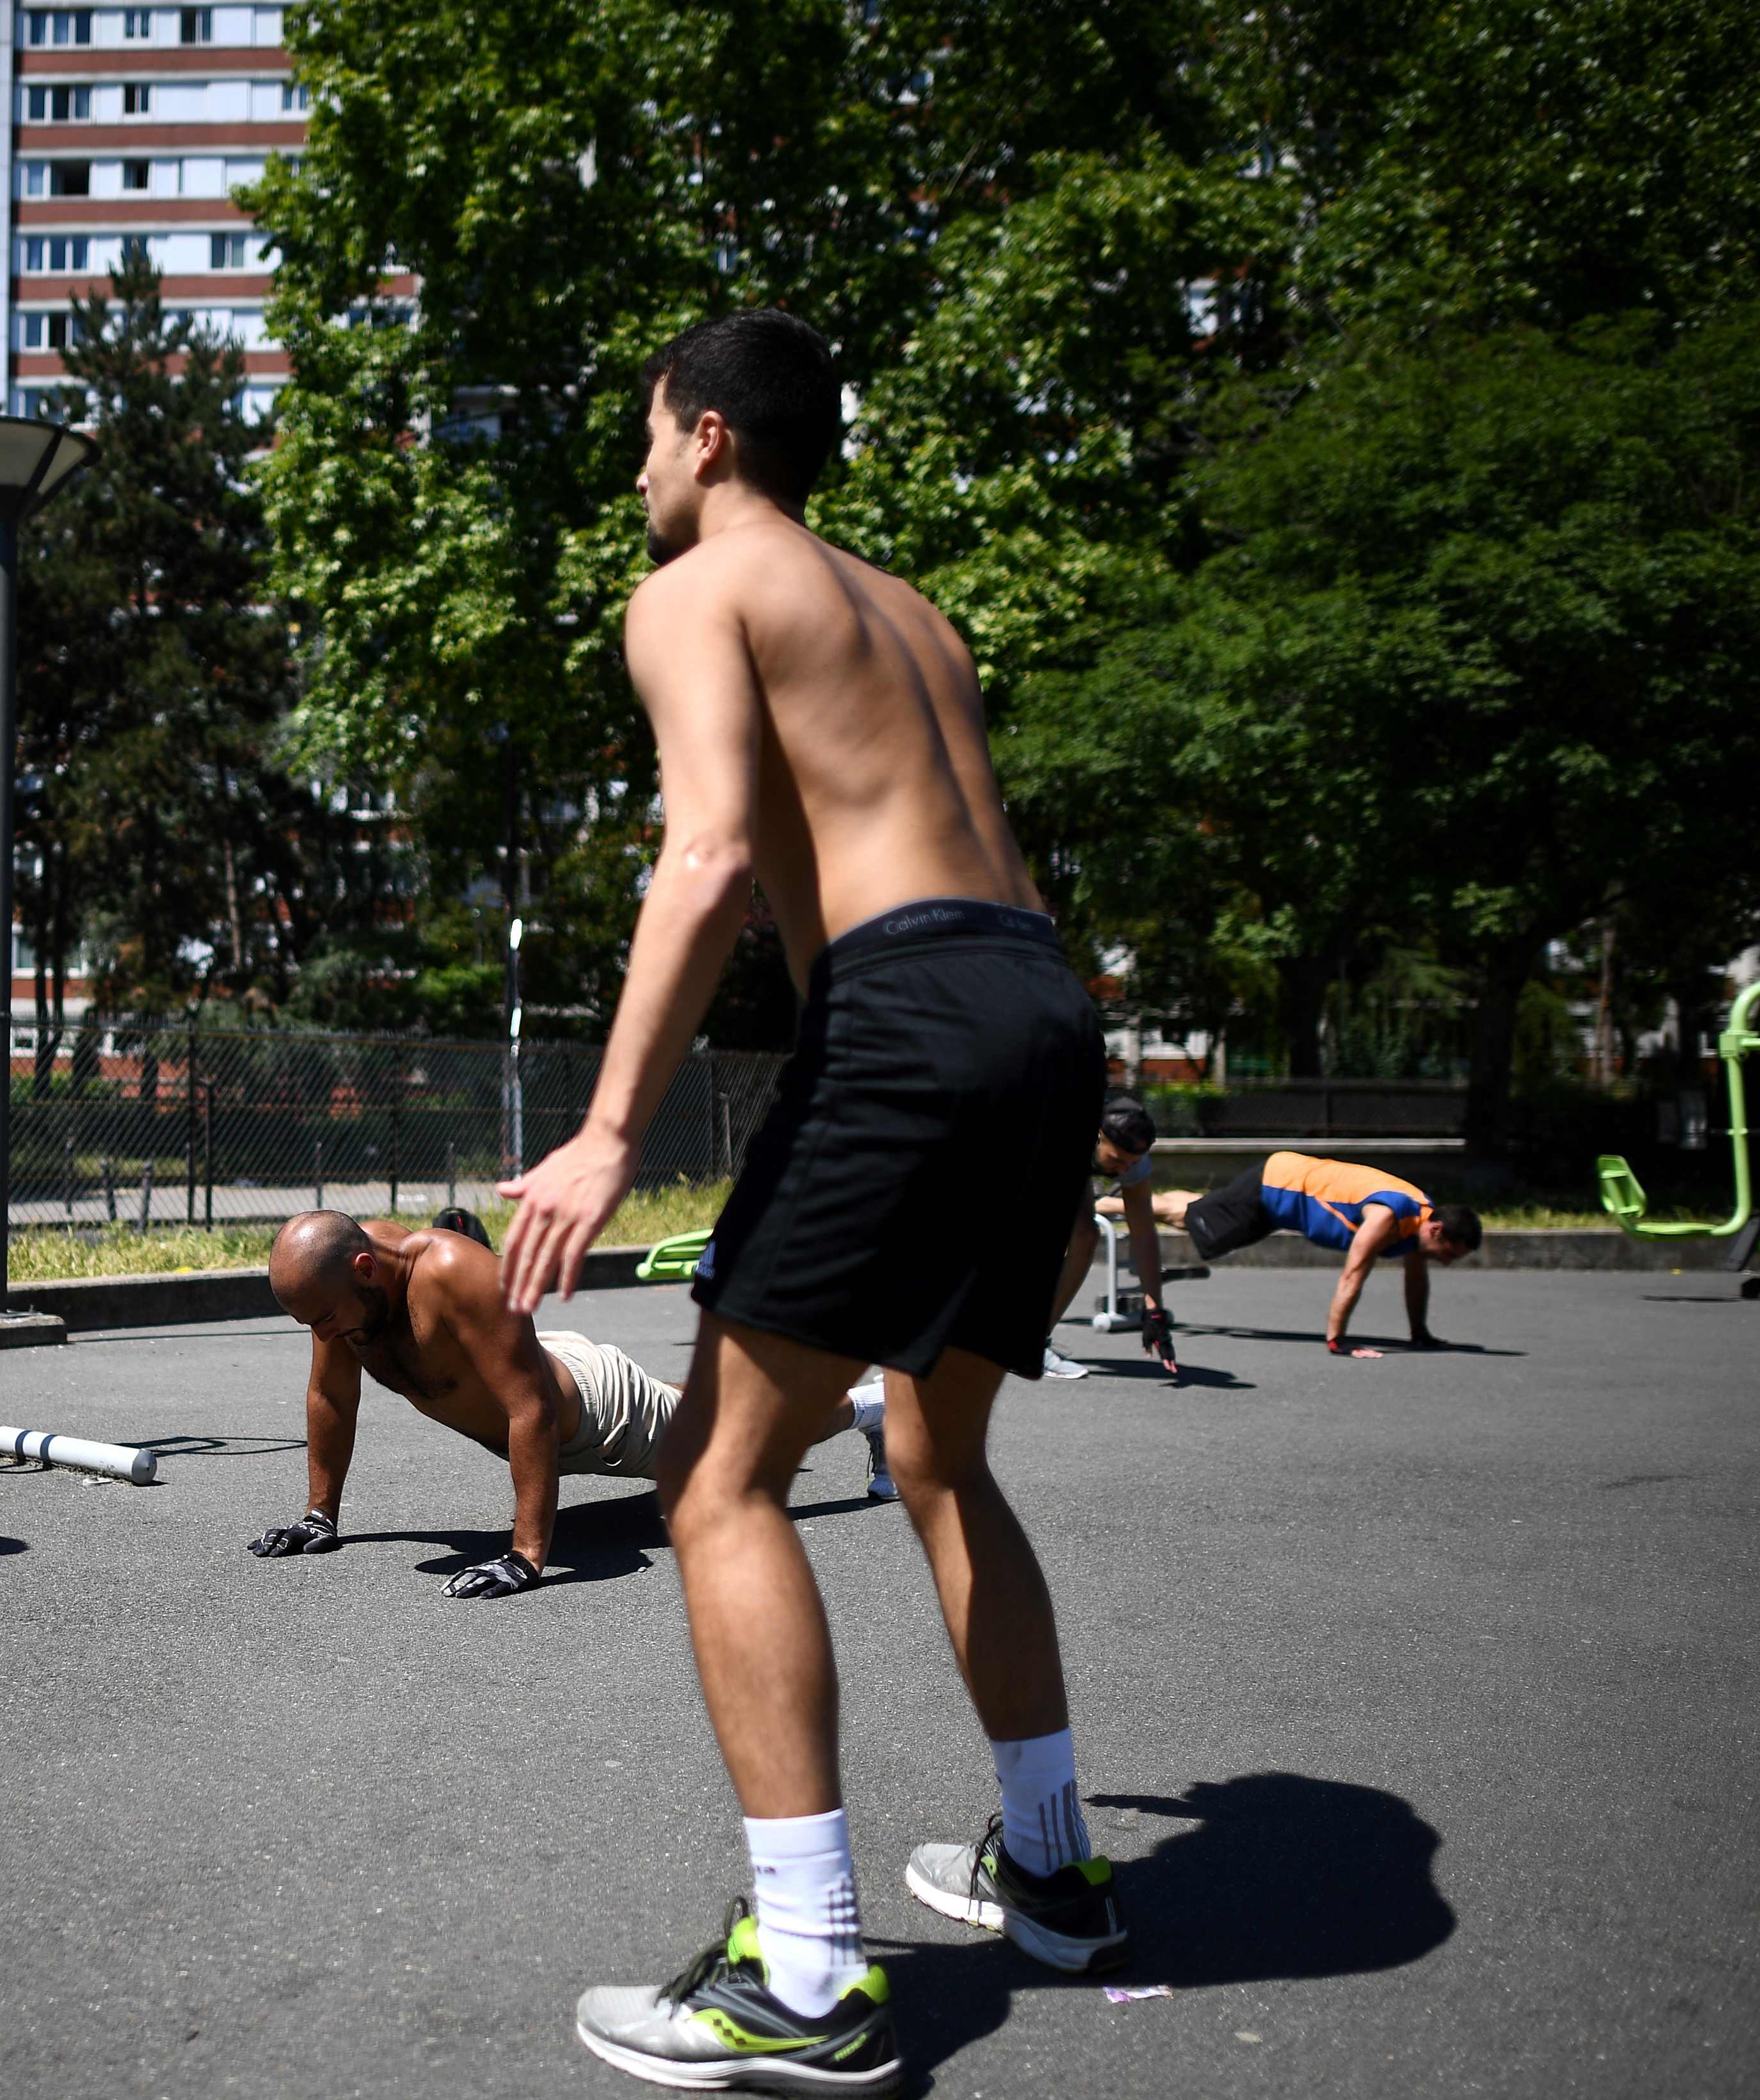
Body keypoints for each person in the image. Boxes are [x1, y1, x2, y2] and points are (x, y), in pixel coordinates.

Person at [493, 310, 1119, 2097]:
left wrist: (611, 1127)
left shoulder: (698, 586)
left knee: (719, 1478)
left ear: (703, 437)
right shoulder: (910, 611)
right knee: (940, 1453)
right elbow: (834, 866)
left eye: (640, 438)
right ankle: (1055, 1864)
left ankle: (808, 1971)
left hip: (920, 1012)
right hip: (1039, 1005)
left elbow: (703, 860)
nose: (633, 474)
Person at [251, 1212, 892, 1597]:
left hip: (598, 1411)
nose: (323, 1334)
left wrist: (525, 1555)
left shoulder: (453, 1272)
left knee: (746, 1439)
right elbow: (331, 1395)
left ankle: (871, 1404)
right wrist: (318, 1516)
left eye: (325, 1319)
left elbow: (531, 1409)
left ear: (364, 1266)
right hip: (533, 1367)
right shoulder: (337, 1293)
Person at [1138, 1151, 1480, 1357]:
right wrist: (1337, 1340)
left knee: (1201, 1216)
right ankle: (1114, 1202)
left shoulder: (1421, 1219)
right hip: (1278, 1187)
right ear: (1436, 1231)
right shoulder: (1388, 1217)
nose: (1447, 1262)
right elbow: (1353, 1274)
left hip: (1286, 1186)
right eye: (1449, 1253)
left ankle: (1134, 1200)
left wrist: (1419, 1333)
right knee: (1199, 1224)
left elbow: (1416, 1279)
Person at [1041, 1090, 1178, 1379]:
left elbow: (1143, 1232)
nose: (1122, 1170)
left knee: (1086, 1234)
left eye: (1130, 1163)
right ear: (1097, 1136)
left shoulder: (1132, 1160)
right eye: (1117, 1160)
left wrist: (1155, 1310)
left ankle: (1033, 1344)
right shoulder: (1057, 1128)